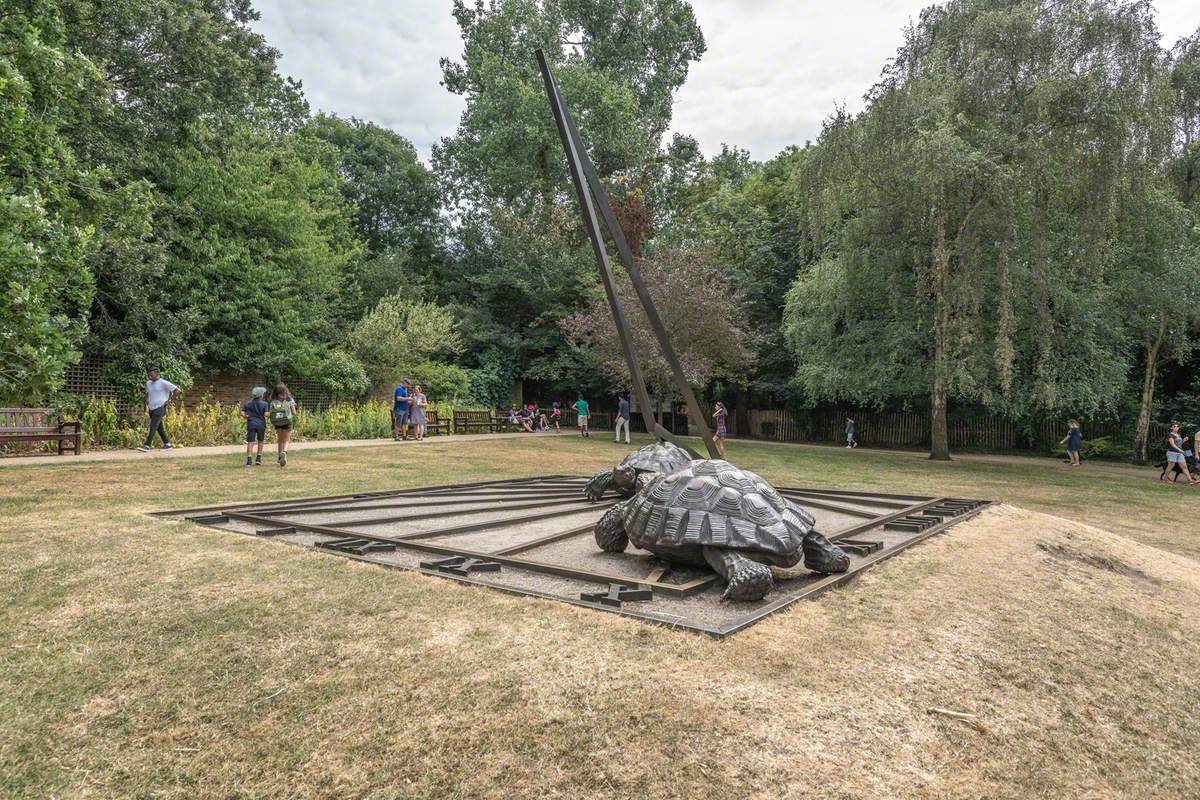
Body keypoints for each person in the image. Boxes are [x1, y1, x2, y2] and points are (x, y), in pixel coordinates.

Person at [137, 368, 180, 452]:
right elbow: (149, 394)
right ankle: (167, 444)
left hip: (160, 408)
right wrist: (146, 400)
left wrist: (169, 401)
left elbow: (177, 390)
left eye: (151, 375)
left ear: (157, 374)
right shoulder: (148, 383)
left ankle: (146, 445)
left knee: (153, 426)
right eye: (148, 375)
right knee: (159, 427)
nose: (149, 377)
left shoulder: (163, 383)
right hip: (151, 408)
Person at [268, 384, 297, 467]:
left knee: (280, 440)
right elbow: (294, 413)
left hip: (277, 422)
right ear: (285, 390)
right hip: (287, 421)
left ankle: (279, 457)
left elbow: (271, 413)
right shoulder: (289, 399)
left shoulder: (273, 400)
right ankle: (284, 452)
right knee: (286, 440)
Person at [240, 386, 269, 466]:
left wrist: (245, 416)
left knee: (250, 442)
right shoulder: (264, 404)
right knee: (260, 441)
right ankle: (258, 459)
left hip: (251, 424)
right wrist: (272, 413)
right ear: (261, 395)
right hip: (261, 424)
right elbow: (266, 414)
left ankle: (249, 460)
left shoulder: (247, 403)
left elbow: (242, 412)